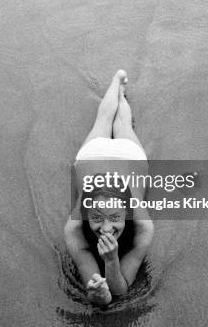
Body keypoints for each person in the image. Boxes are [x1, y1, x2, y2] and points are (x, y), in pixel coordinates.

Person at [64, 70, 154, 306]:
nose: (106, 228)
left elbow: (121, 291)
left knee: (111, 122)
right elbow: (104, 289)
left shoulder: (143, 226)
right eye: (96, 217)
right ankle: (117, 84)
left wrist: (112, 262)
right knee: (113, 122)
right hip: (94, 158)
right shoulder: (73, 229)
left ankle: (120, 89)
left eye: (115, 217)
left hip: (127, 158)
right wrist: (99, 293)